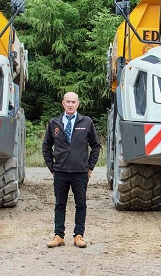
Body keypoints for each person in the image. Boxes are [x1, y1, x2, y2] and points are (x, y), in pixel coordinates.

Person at [42, 91, 100, 248]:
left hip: (80, 172)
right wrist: (52, 167)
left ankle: (79, 235)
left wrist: (90, 166)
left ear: (78, 104)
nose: (70, 104)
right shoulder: (55, 123)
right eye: (67, 102)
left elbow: (96, 146)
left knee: (80, 204)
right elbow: (46, 146)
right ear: (63, 103)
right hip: (60, 172)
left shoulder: (86, 122)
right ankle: (58, 235)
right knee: (59, 204)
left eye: (73, 102)